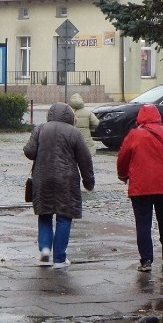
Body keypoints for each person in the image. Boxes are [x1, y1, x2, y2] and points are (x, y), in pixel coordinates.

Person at [117, 104, 163, 272]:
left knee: (143, 222)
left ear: (140, 117)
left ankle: (146, 260)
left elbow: (122, 157)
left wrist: (122, 175)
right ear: (158, 117)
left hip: (140, 187)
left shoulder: (133, 135)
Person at [23, 102, 95, 269]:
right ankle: (59, 258)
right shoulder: (74, 133)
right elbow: (85, 159)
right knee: (64, 216)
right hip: (66, 180)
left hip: (42, 177)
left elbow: (29, 152)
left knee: (45, 213)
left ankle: (45, 249)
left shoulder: (40, 129)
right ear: (70, 116)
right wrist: (88, 181)